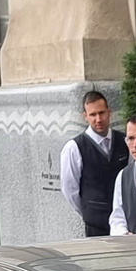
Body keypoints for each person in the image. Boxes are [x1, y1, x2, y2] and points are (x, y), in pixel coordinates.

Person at [57, 88, 128, 238]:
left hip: (125, 223)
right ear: (85, 117)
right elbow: (70, 189)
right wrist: (89, 211)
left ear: (109, 112)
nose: (98, 119)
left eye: (101, 113)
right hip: (96, 225)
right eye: (93, 114)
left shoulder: (126, 141)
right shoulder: (74, 147)